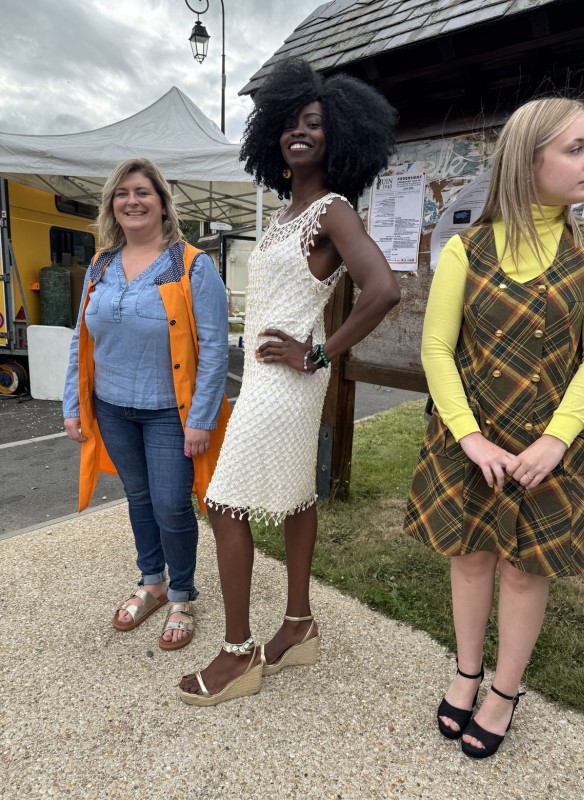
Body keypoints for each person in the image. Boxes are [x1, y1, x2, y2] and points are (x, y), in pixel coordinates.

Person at [179, 59, 400, 706]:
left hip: (289, 381)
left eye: (317, 125)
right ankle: (298, 623)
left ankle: (237, 653)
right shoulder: (286, 215)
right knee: (297, 497)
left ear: (340, 140)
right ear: (272, 133)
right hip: (275, 381)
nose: (300, 133)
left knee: (224, 505)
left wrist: (320, 354)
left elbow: (383, 289)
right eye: (291, 123)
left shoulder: (331, 211)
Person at [404, 97, 584, 758]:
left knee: (523, 571)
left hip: (551, 446)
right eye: (576, 148)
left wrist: (556, 439)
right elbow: (437, 350)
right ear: (530, 158)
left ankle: (504, 690)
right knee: (473, 556)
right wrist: (467, 435)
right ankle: (466, 673)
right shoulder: (466, 248)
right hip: (472, 443)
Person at [63, 158, 230, 651]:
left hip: (168, 412)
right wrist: (74, 402)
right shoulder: (100, 264)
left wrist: (200, 418)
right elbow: (81, 338)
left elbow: (216, 349)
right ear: (112, 204)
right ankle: (151, 582)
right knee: (138, 499)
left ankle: (181, 594)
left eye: (142, 192)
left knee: (171, 504)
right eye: (122, 193)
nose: (131, 201)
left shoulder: (192, 264)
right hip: (111, 406)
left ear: (162, 203)